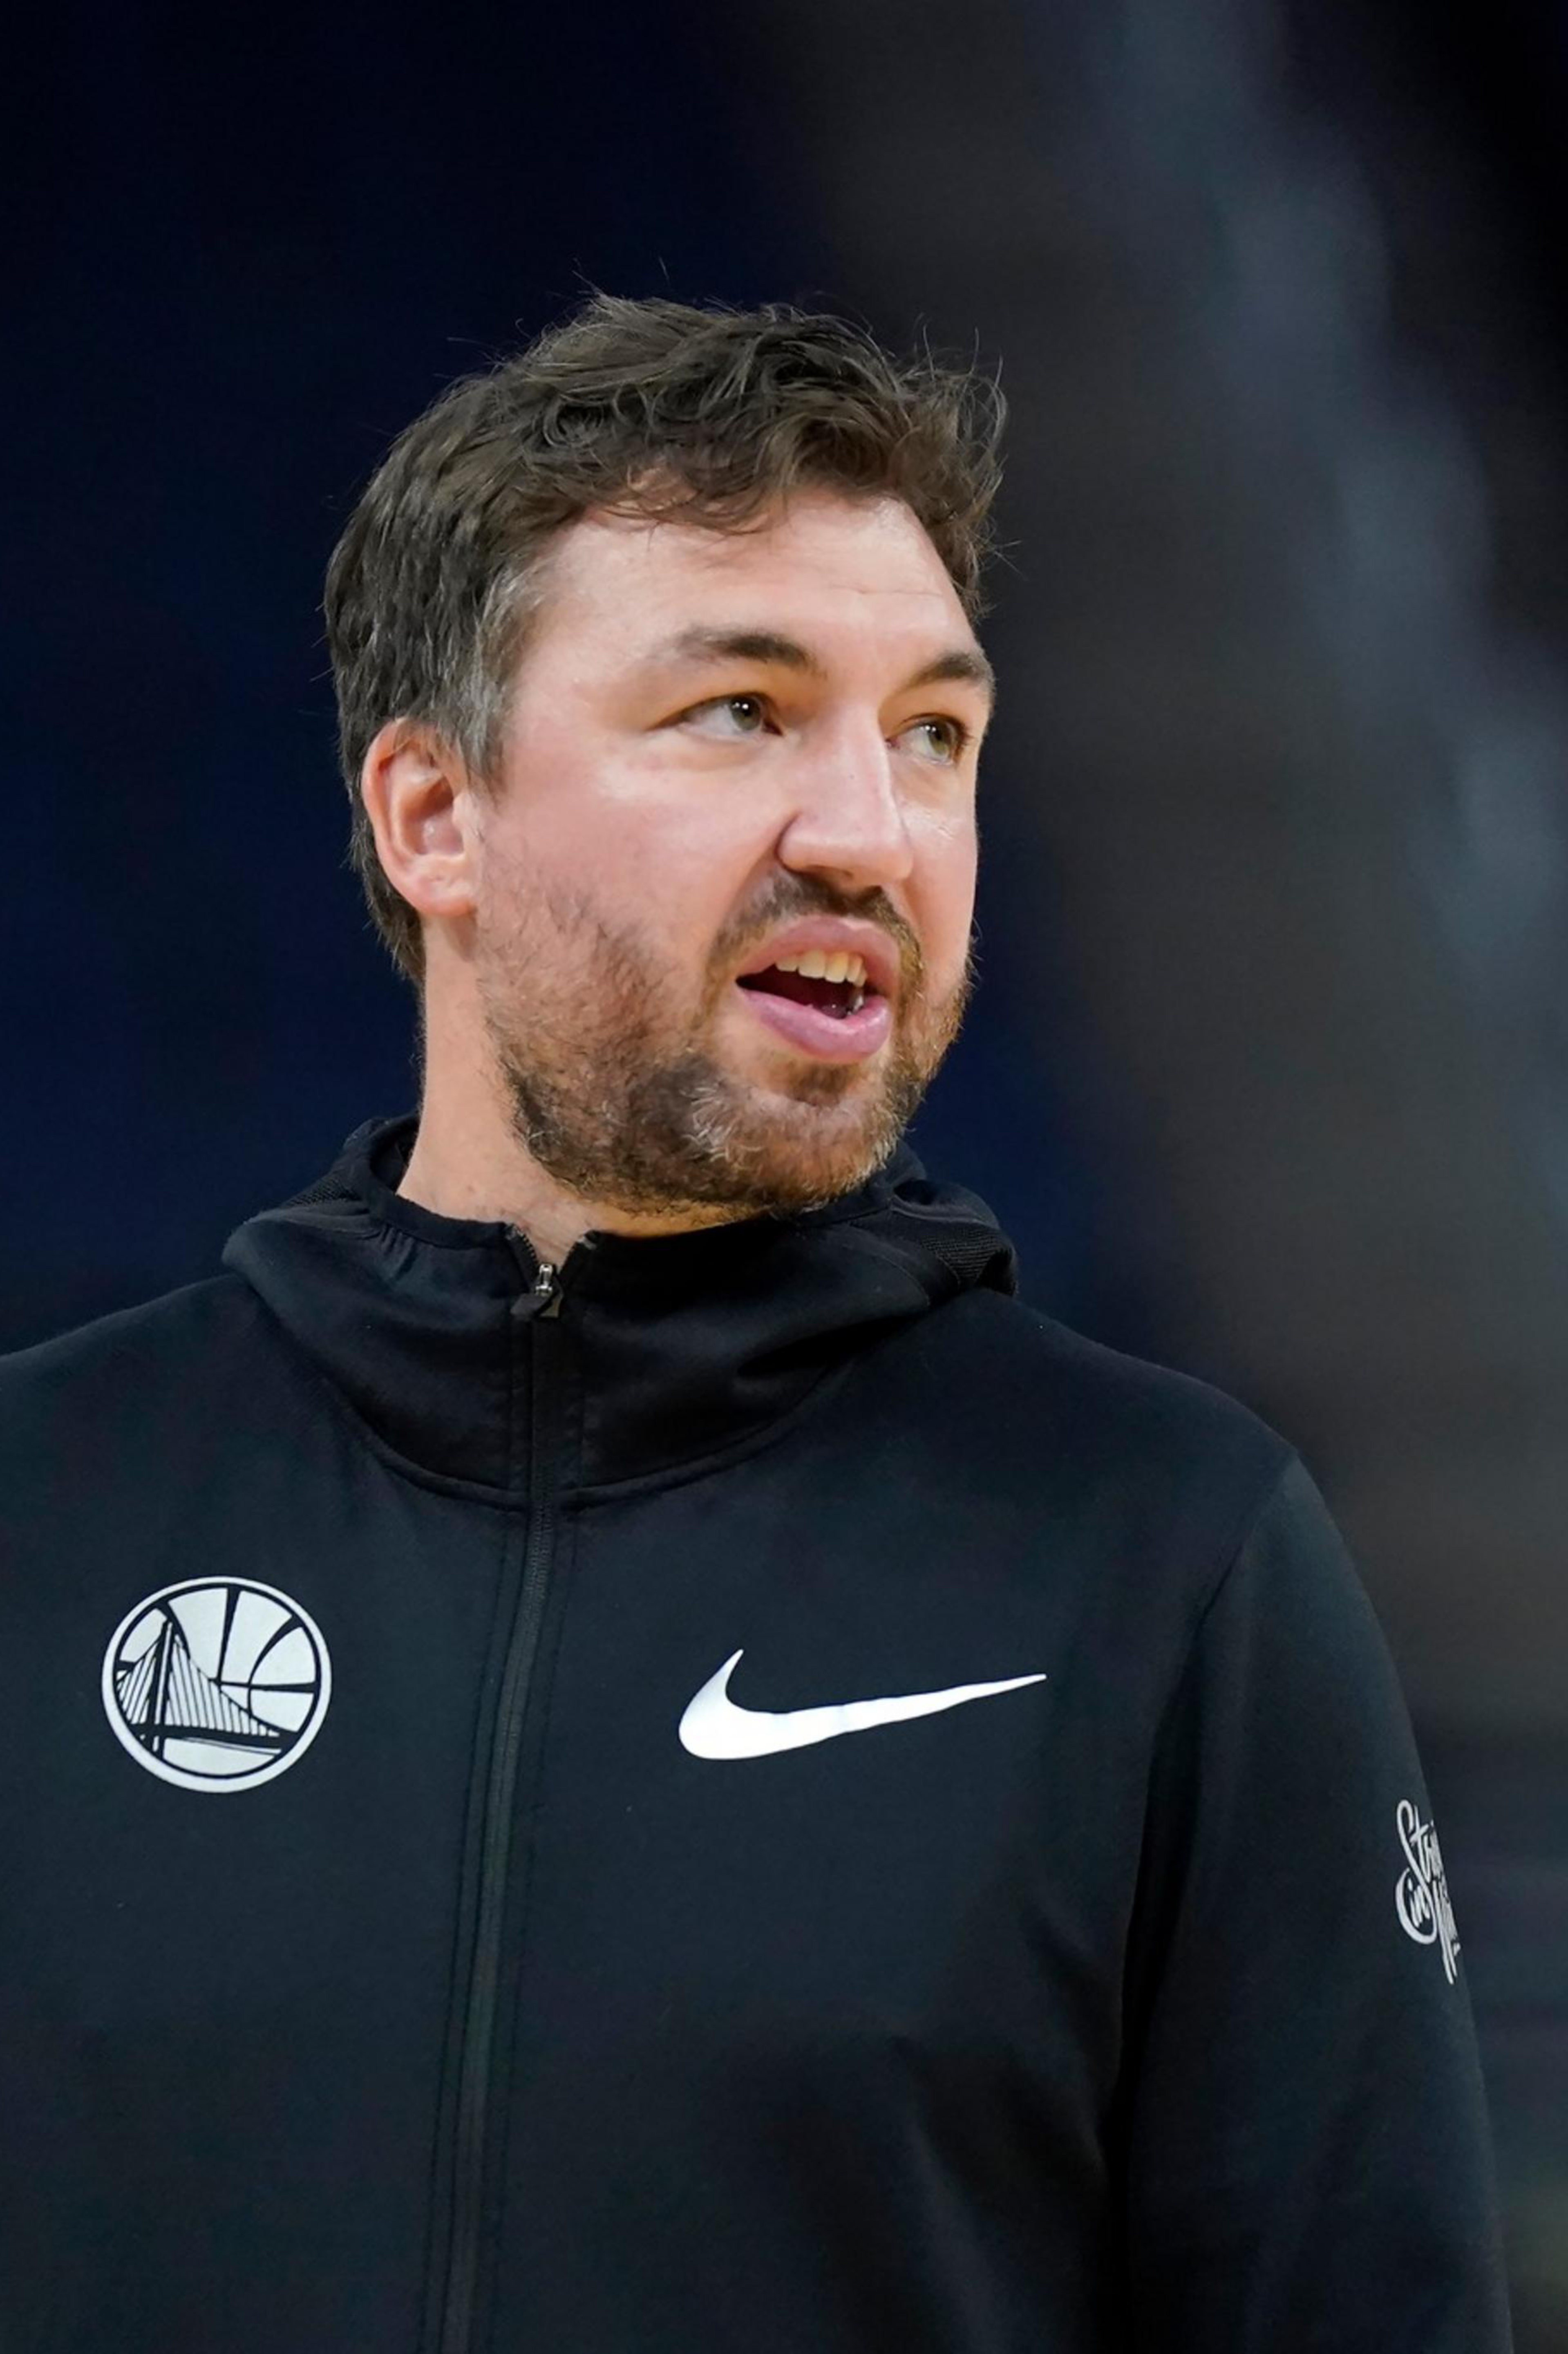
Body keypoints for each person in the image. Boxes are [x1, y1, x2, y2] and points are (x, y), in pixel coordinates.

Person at [1, 294, 1511, 2354]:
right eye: (740, 709)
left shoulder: (1162, 1560)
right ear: (432, 818)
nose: (869, 834)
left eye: (933, 735)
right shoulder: (49, 1506)